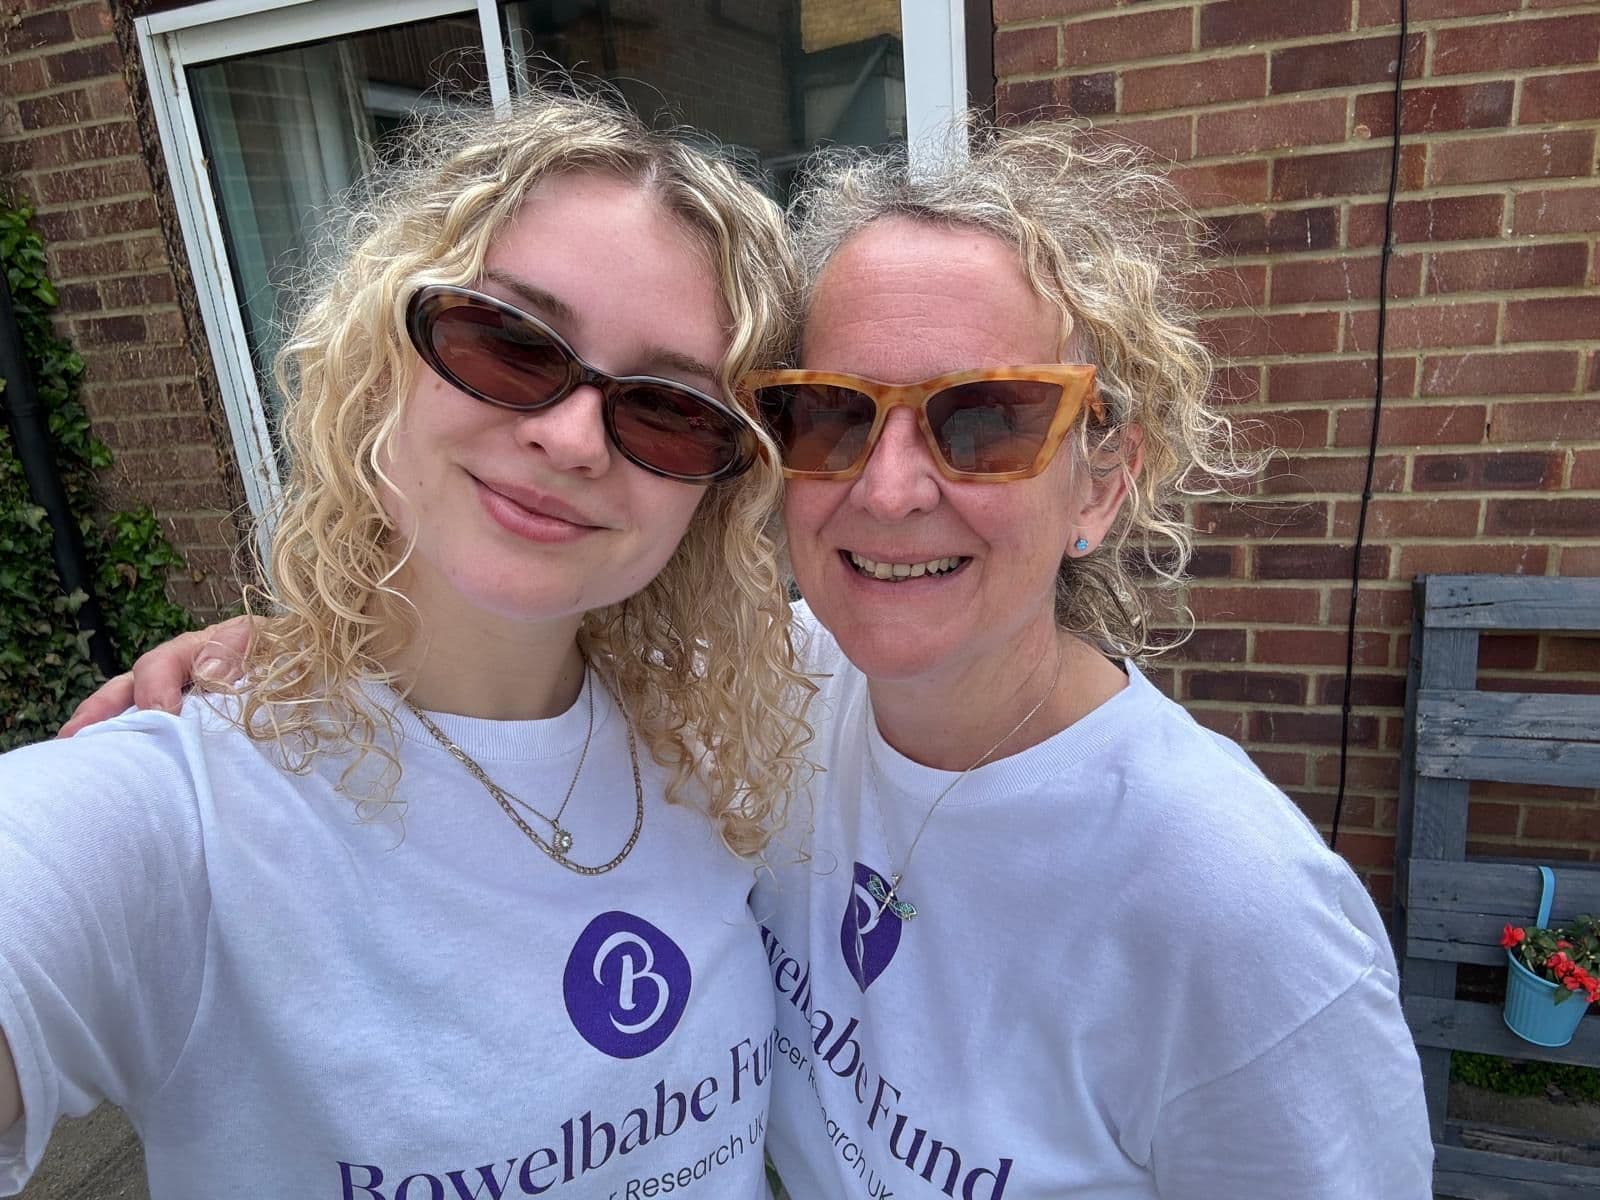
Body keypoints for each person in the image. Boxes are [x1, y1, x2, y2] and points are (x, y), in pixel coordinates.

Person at [62, 122, 1434, 1198]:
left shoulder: (1241, 918)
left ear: (1104, 478)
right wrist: (305, 648)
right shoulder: (760, 705)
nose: (892, 489)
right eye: (830, 417)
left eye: (988, 420)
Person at [0, 90, 814, 1198]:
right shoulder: (178, 811)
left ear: (717, 490)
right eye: (510, 343)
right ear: (386, 355)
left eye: (670, 410)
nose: (571, 436)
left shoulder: (730, 731)